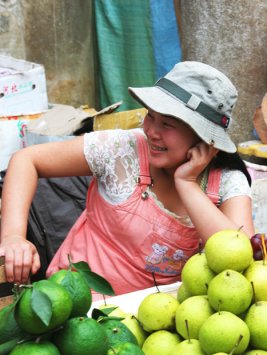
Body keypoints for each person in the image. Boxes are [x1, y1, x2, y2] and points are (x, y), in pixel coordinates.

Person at [0, 61, 254, 299]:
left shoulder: (227, 181)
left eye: (167, 124)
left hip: (162, 321)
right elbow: (26, 160)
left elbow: (240, 257)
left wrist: (187, 184)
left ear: (203, 138)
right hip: (78, 303)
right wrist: (13, 236)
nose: (152, 131)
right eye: (150, 116)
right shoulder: (122, 149)